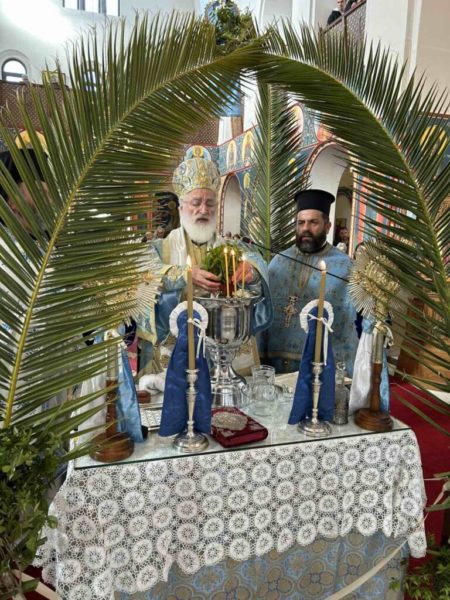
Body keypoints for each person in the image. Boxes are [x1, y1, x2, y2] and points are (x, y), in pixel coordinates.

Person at [137, 156, 273, 373]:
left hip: (223, 347)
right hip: (172, 351)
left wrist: (253, 274)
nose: (203, 210)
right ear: (181, 207)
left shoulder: (234, 249)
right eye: (196, 203)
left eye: (210, 203)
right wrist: (185, 276)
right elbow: (144, 277)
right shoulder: (159, 249)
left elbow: (257, 277)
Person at [261, 189, 358, 376]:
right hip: (276, 366)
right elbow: (263, 312)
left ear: (327, 226)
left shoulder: (345, 266)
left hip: (320, 368)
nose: (305, 228)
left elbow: (348, 325)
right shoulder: (278, 262)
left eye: (313, 222)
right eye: (301, 223)